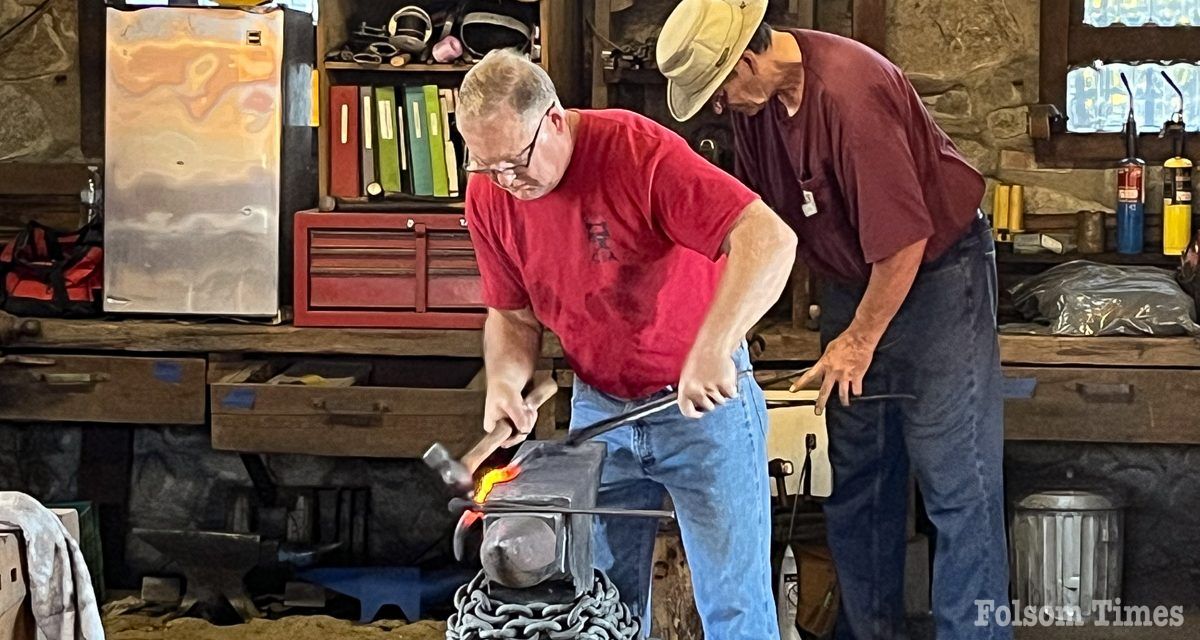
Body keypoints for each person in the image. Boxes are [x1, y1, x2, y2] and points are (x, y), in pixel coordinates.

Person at [657, 1, 1011, 639]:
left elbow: (903, 241)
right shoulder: (760, 105)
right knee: (859, 478)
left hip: (933, 276)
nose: (718, 106)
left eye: (718, 89)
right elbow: (760, 229)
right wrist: (718, 331)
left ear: (747, 59)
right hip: (852, 281)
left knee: (958, 483)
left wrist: (860, 341)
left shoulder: (853, 94)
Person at [456, 48, 797, 638]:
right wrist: (507, 382)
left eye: (516, 161)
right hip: (600, 409)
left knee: (734, 606)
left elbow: (769, 238)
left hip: (698, 406)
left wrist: (716, 343)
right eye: (488, 167)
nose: (507, 182)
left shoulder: (640, 154)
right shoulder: (491, 193)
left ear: (555, 120)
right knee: (603, 607)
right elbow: (512, 315)